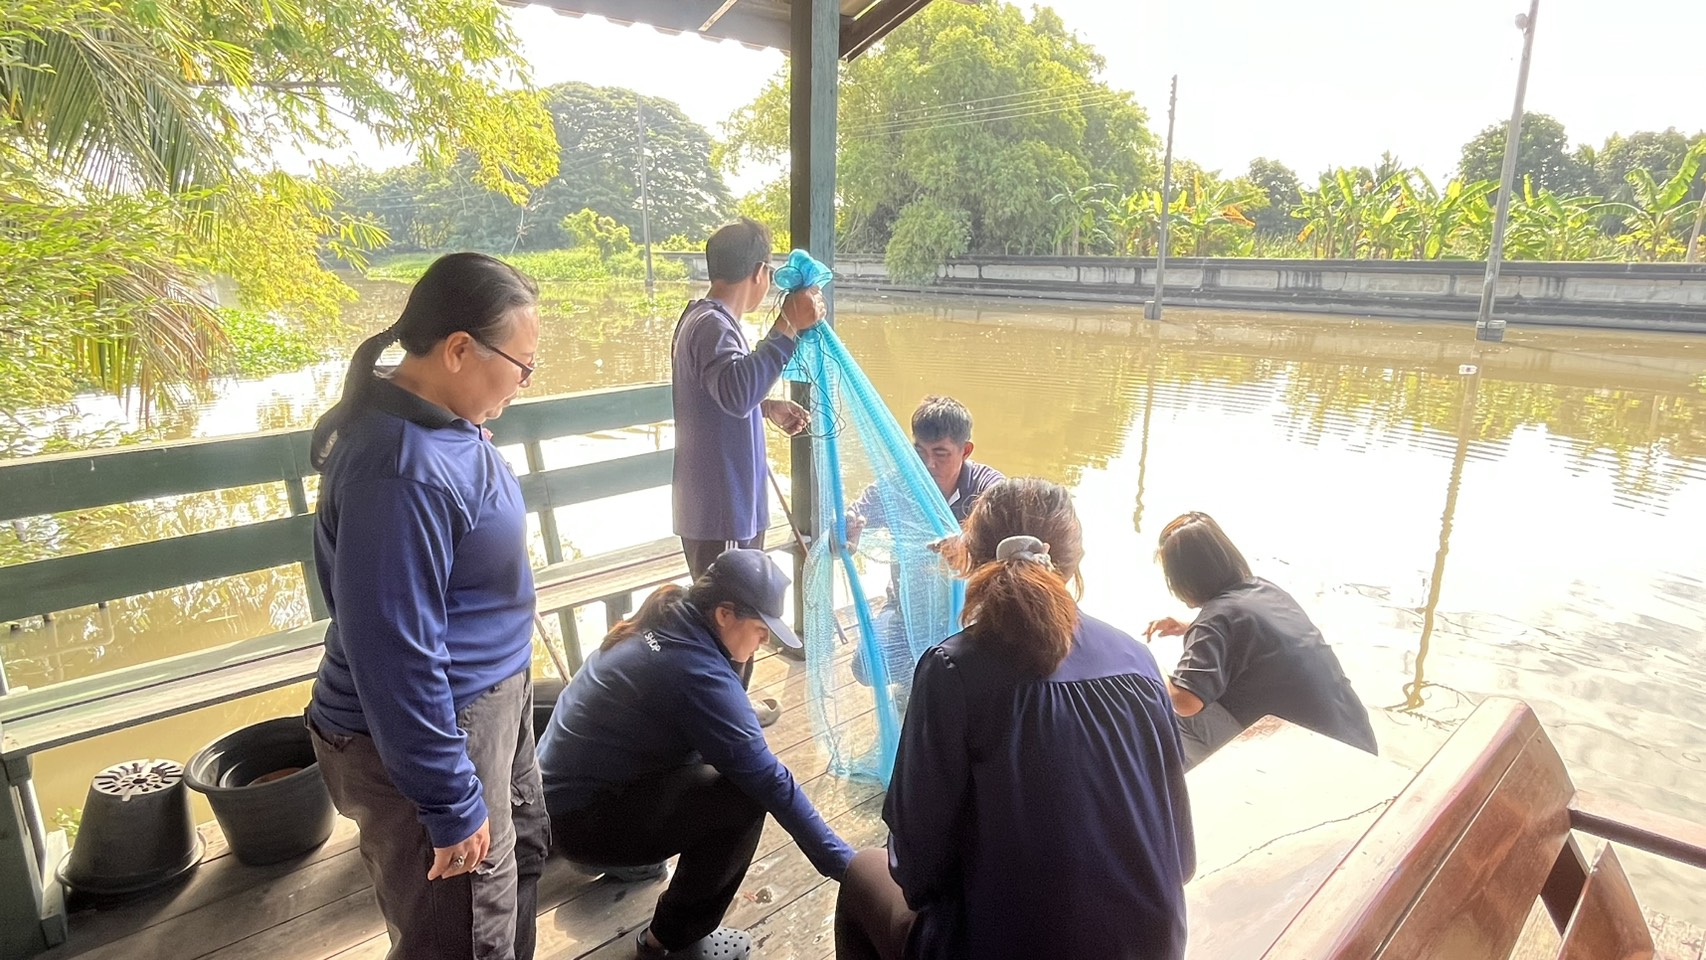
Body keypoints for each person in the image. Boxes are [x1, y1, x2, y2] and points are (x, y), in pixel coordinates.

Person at [305, 252, 551, 960]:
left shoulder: (440, 421)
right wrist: (448, 799)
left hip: (492, 699)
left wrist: (469, 437)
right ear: (458, 350)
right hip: (438, 724)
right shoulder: (400, 471)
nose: (526, 381)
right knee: (462, 931)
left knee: (517, 866)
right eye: (522, 364)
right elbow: (394, 653)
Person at [835, 478, 1195, 960]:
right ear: (1075, 562)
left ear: (972, 555)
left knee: (862, 874)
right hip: (1154, 946)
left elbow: (915, 873)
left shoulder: (952, 670)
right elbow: (1182, 859)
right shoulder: (1137, 661)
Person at [537, 549, 854, 960]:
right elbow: (771, 781)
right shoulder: (694, 672)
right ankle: (670, 942)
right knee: (741, 799)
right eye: (760, 630)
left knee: (719, 762)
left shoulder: (669, 614)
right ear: (724, 614)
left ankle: (626, 861)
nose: (763, 642)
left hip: (557, 807)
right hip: (580, 824)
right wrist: (845, 865)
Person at [672, 218, 824, 713]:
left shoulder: (702, 318)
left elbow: (727, 393)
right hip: (723, 510)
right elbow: (736, 388)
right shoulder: (713, 324)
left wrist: (769, 405)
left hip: (718, 505)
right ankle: (727, 717)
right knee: (732, 621)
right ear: (760, 274)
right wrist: (787, 326)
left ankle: (726, 709)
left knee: (725, 619)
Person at [1144, 511, 1378, 769]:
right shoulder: (1264, 590)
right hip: (1356, 742)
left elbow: (1187, 703)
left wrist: (1149, 666)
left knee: (1160, 704)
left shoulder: (1216, 620)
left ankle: (1197, 787)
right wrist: (1190, 627)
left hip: (1313, 762)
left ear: (1183, 579)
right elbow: (1255, 637)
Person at [845, 396, 1004, 688]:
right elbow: (859, 511)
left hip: (969, 615)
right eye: (920, 451)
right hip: (907, 608)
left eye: (941, 453)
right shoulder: (899, 485)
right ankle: (914, 686)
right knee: (866, 668)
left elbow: (1007, 534)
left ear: (965, 450)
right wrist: (850, 527)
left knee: (971, 680)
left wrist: (966, 543)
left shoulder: (988, 488)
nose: (928, 464)